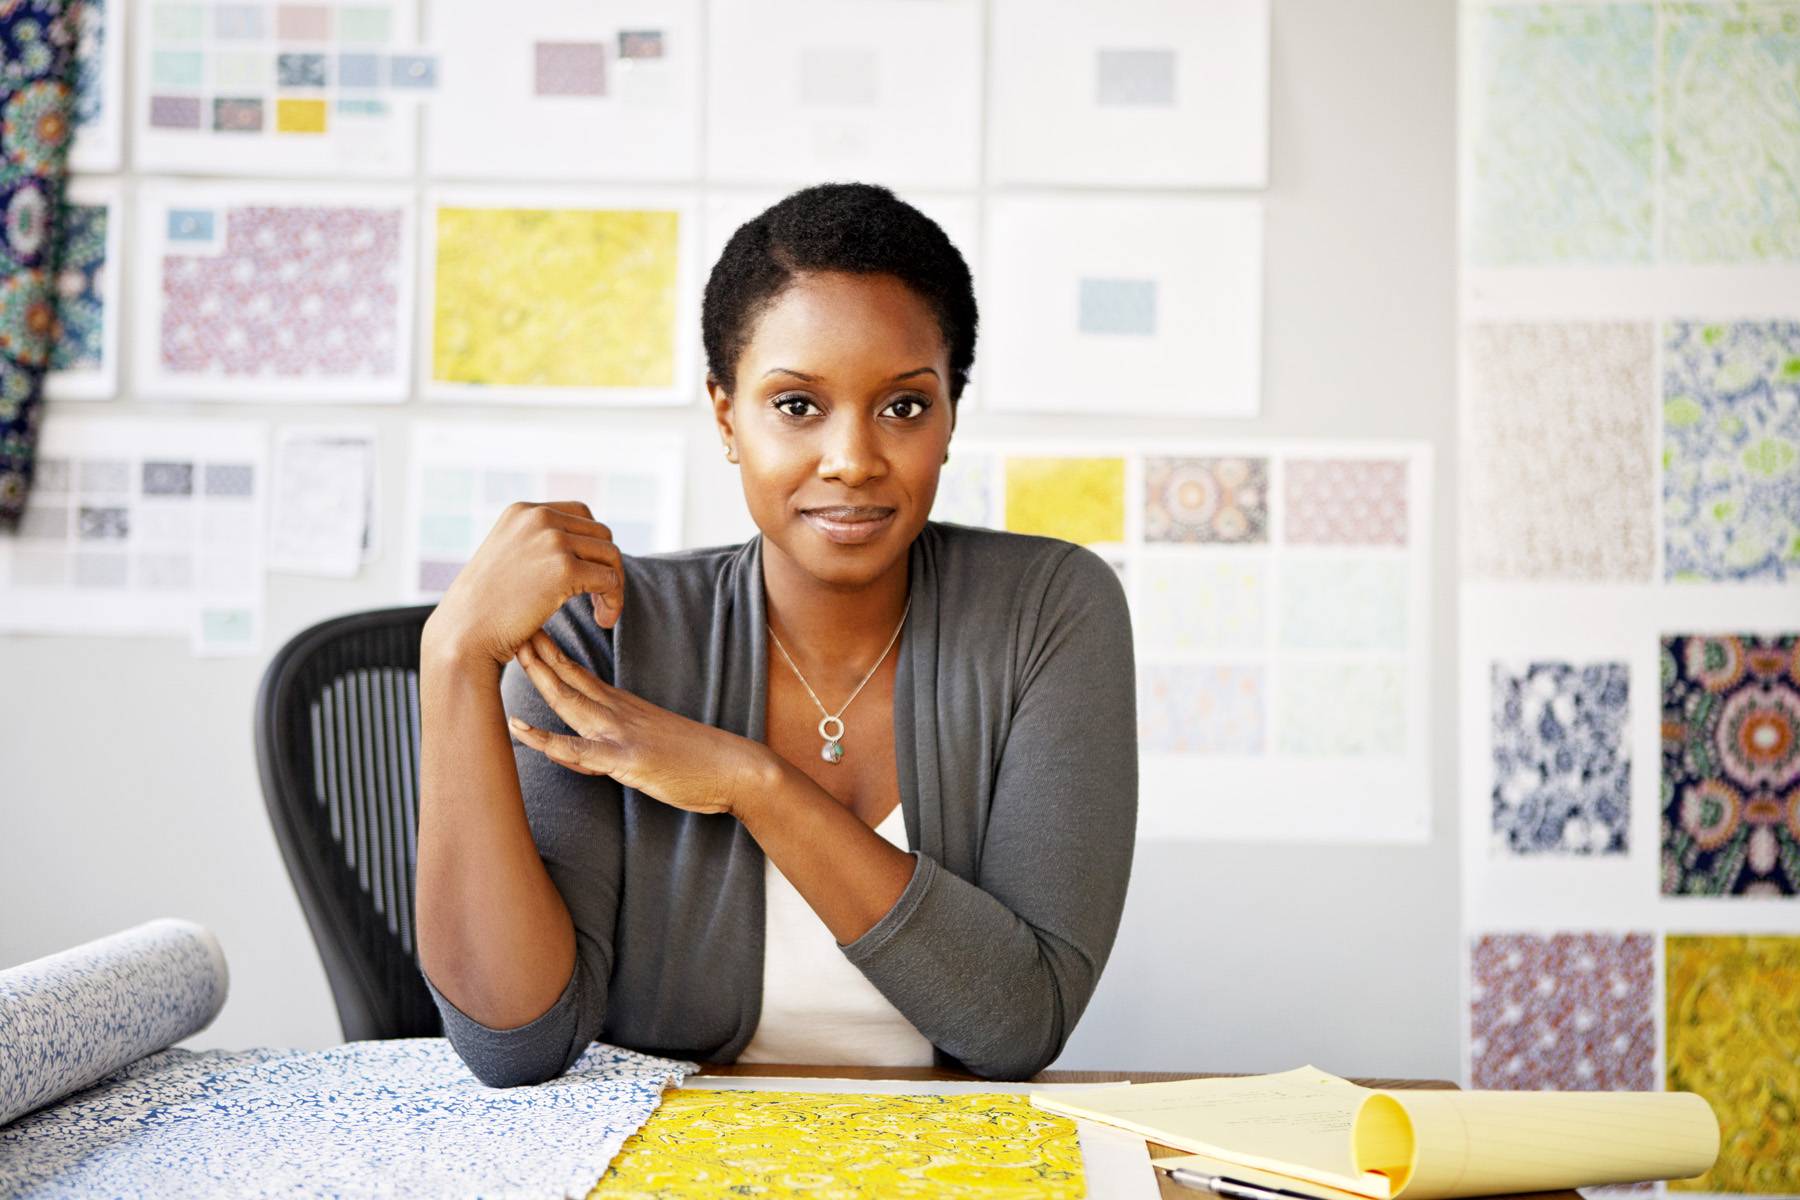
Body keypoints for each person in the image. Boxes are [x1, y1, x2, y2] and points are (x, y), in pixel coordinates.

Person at [414, 182, 1138, 1086]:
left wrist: (754, 786)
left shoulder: (1050, 612)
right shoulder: (602, 637)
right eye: (797, 405)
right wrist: (450, 659)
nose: (852, 459)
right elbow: (512, 1044)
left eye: (904, 406)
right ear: (726, 415)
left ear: (951, 415)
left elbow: (1017, 1024)